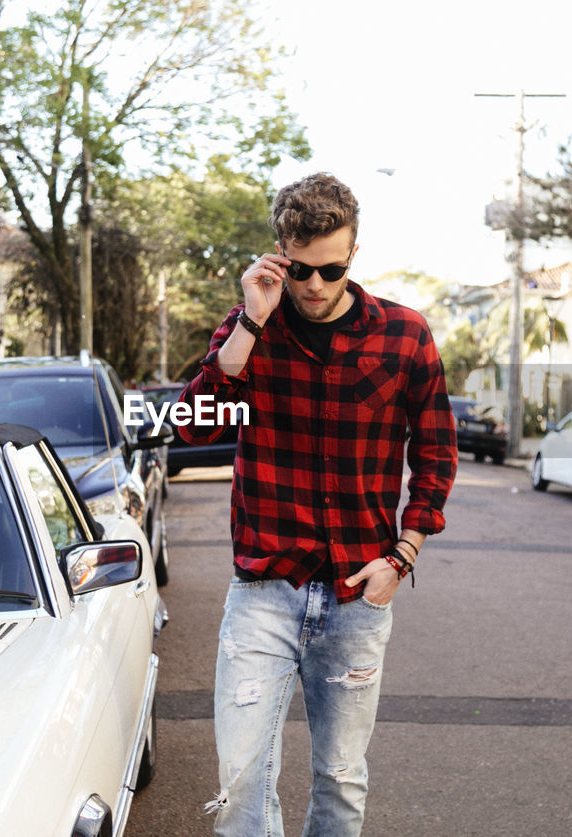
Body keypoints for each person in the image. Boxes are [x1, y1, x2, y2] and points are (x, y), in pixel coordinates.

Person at [176, 172, 457, 836]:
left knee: (340, 779)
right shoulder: (253, 332)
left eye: (331, 269)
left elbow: (438, 456)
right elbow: (192, 426)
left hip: (359, 595)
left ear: (352, 255)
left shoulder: (404, 335)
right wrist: (249, 318)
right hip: (263, 593)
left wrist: (403, 554)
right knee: (242, 783)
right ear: (280, 252)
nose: (314, 286)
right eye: (300, 268)